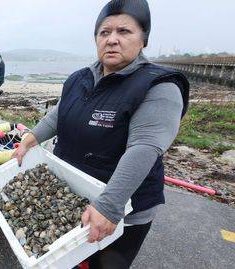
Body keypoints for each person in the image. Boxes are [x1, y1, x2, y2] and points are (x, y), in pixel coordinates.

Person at [11, 0, 189, 268]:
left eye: (124, 31)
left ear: (144, 39)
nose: (112, 40)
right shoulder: (78, 79)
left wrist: (110, 205)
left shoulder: (159, 86)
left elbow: (144, 147)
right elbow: (58, 116)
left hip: (124, 211)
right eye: (104, 32)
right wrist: (29, 140)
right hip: (76, 194)